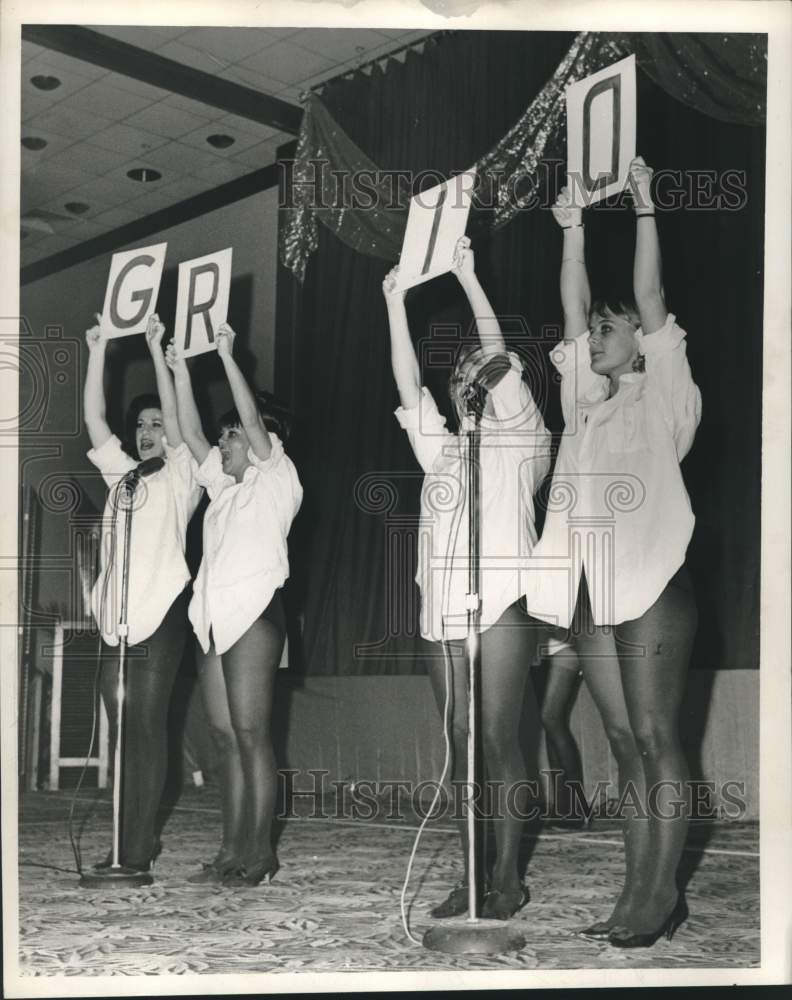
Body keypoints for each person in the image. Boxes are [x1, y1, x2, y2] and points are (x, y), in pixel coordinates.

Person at [526, 157, 701, 947]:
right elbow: (568, 312)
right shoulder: (583, 407)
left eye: (608, 326)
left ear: (639, 339)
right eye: (594, 327)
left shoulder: (665, 390)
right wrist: (570, 232)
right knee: (624, 740)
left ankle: (658, 893)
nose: (592, 336)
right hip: (591, 588)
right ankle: (639, 889)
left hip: (655, 582)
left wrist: (642, 207)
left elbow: (656, 298)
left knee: (658, 736)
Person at [382, 239, 551, 920]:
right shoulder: (441, 450)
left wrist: (468, 276)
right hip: (444, 612)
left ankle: (508, 876)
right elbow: (405, 384)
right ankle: (472, 873)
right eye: (461, 374)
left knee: (499, 737)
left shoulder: (522, 434)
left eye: (483, 372)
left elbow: (496, 348)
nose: (470, 378)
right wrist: (395, 304)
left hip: (504, 602)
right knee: (460, 742)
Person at [167, 323, 302, 887]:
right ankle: (230, 850)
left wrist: (226, 356)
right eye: (224, 440)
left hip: (255, 620)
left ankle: (260, 851)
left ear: (263, 441)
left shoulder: (278, 477)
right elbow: (188, 430)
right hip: (213, 623)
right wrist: (177, 369)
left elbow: (250, 420)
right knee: (224, 739)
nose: (222, 445)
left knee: (252, 735)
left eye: (232, 439)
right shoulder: (222, 490)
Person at [84, 312, 202, 874]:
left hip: (161, 618)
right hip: (117, 623)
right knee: (122, 733)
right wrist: (98, 351)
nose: (149, 430)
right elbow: (93, 418)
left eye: (157, 422)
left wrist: (157, 350)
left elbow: (179, 426)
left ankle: (134, 849)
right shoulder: (123, 478)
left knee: (147, 729)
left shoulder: (181, 475)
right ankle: (126, 839)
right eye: (143, 426)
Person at [531, 629, 588, 827]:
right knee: (551, 725)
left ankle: (576, 809)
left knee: (551, 718)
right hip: (540, 646)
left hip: (566, 643)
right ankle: (563, 808)